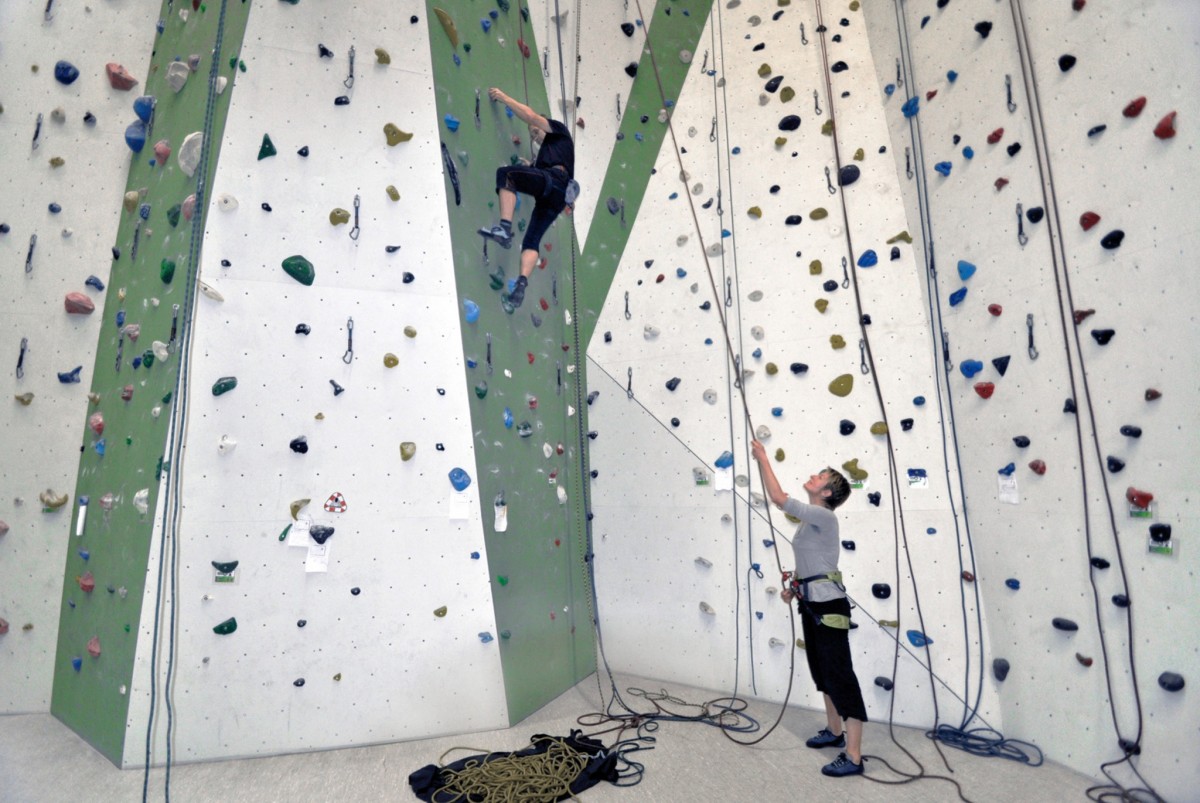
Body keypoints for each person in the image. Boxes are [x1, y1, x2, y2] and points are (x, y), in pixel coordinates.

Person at [750, 440, 867, 778]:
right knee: (822, 673)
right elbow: (811, 560)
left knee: (840, 677)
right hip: (812, 603)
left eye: (821, 476)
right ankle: (834, 732)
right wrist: (794, 587)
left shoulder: (823, 516)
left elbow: (778, 498)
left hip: (829, 606)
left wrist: (763, 458)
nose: (813, 476)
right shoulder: (810, 522)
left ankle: (855, 756)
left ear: (827, 492)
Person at [479, 87, 576, 309]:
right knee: (531, 240)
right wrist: (531, 168)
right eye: (532, 134)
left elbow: (531, 116)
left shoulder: (559, 132)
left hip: (554, 181)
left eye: (536, 131)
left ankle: (504, 228)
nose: (534, 134)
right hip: (555, 198)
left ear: (545, 124)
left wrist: (503, 97)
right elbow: (541, 175)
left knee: (506, 175)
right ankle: (522, 283)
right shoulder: (548, 155)